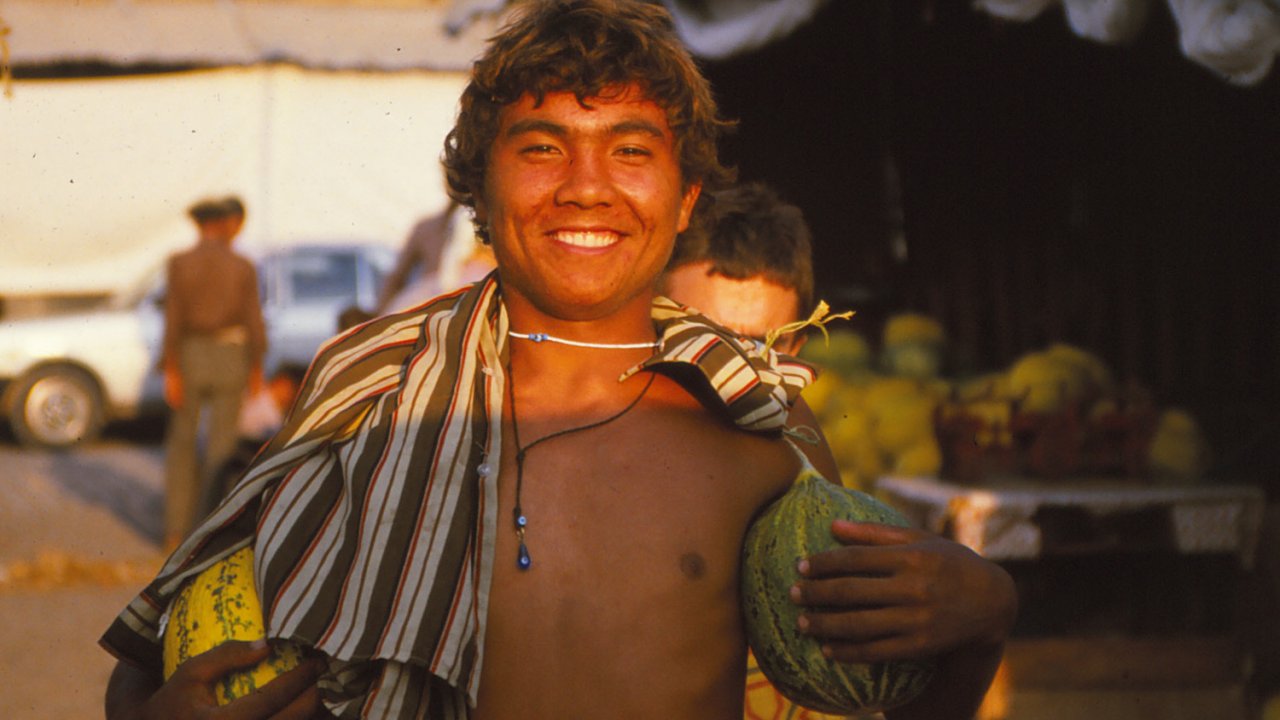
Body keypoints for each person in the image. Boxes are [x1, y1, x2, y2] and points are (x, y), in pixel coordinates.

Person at [102, 3, 1016, 719]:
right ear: (479, 186)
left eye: (631, 150)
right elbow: (149, 656)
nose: (586, 186)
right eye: (541, 148)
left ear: (685, 191)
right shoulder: (373, 386)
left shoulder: (754, 423)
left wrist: (980, 627)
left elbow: (854, 698)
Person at [661, 181, 854, 720]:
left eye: (765, 346)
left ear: (798, 346)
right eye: (706, 341)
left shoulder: (802, 461)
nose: (737, 375)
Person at [159, 194, 266, 552]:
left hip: (190, 355)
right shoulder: (242, 266)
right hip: (231, 356)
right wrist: (256, 370)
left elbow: (172, 319)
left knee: (181, 444)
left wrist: (171, 368)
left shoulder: (178, 263)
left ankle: (175, 531)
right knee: (221, 447)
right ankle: (209, 530)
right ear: (221, 225)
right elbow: (254, 321)